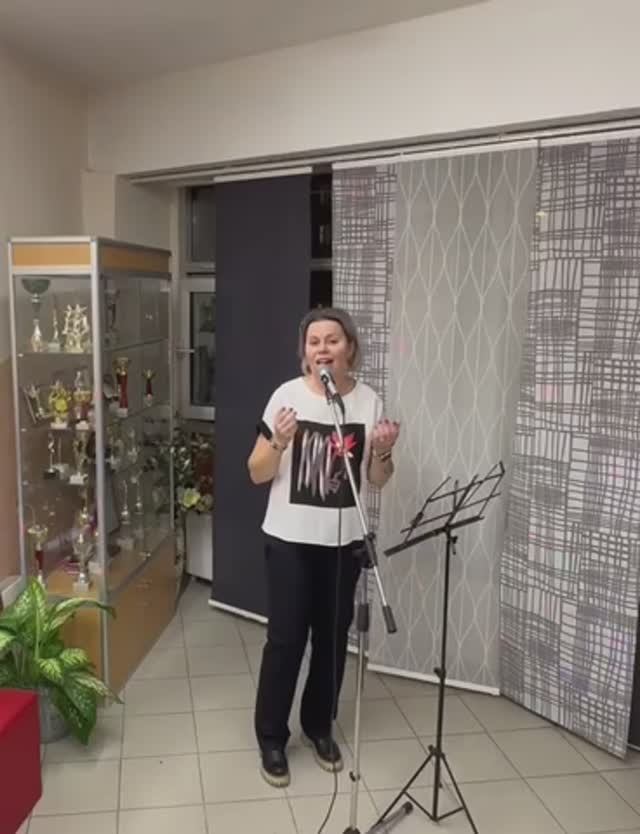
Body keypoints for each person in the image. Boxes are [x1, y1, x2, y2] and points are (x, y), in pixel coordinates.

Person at [247, 306, 400, 787]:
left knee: (332, 640)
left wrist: (383, 450)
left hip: (343, 544)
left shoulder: (367, 401)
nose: (323, 349)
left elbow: (377, 479)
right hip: (289, 542)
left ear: (349, 347)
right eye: (314, 342)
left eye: (332, 340)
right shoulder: (285, 397)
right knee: (286, 640)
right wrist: (279, 441)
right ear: (305, 352)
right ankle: (272, 737)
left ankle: (318, 726)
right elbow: (257, 472)